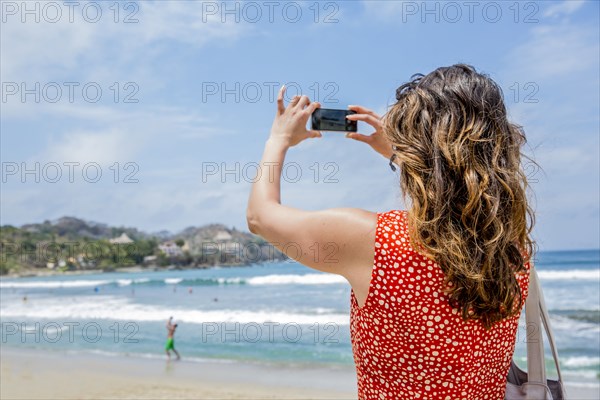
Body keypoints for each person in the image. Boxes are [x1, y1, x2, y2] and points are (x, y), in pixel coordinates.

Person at [246, 64, 534, 399]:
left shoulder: (377, 241)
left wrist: (278, 139)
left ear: (416, 149)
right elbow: (456, 198)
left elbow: (260, 216)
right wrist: (404, 155)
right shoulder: (512, 247)